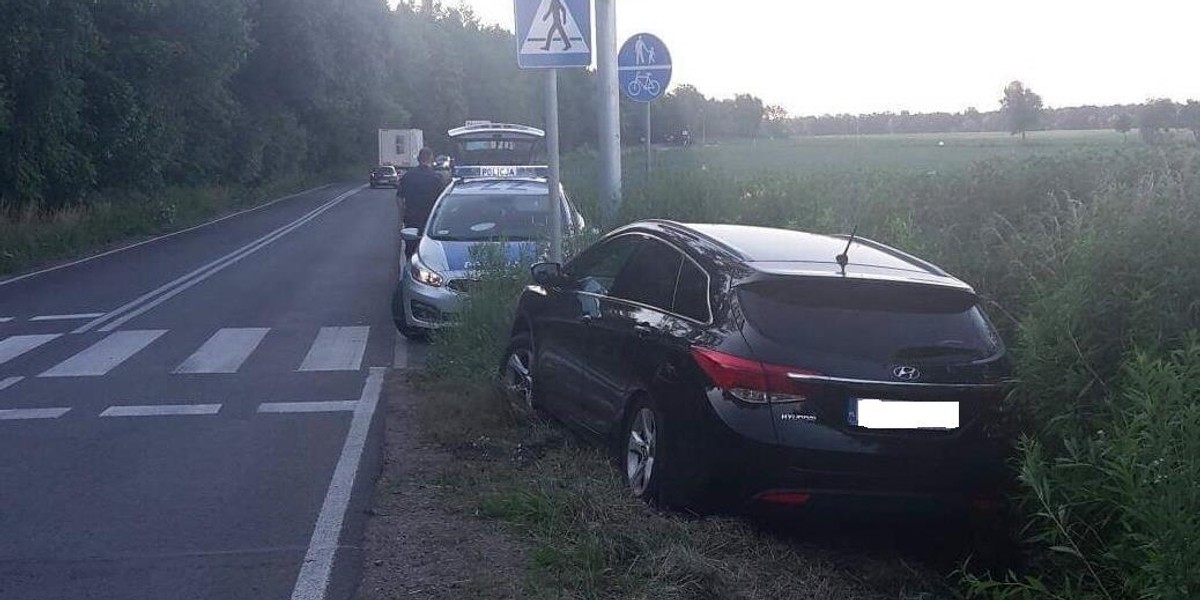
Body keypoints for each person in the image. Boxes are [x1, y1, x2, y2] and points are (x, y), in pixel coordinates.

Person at [397, 148, 447, 255]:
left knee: (411, 248)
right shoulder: (436, 177)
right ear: (431, 158)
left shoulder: (408, 176)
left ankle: (410, 268)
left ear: (419, 159)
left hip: (412, 218)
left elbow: (399, 198)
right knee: (430, 249)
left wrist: (403, 213)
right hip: (431, 219)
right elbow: (443, 201)